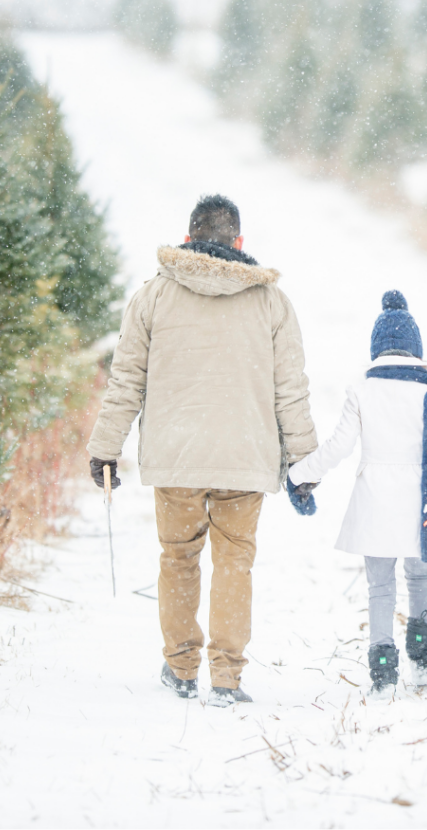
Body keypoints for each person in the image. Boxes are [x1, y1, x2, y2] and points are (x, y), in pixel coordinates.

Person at [87, 194, 316, 707]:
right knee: (235, 563)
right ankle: (228, 678)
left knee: (178, 558)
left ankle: (182, 668)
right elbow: (291, 389)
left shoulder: (153, 297)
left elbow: (125, 380)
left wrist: (105, 449)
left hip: (177, 457)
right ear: (238, 243)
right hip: (245, 459)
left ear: (189, 238)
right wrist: (304, 459)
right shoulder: (271, 303)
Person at [287, 290, 427, 696]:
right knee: (420, 577)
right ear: (416, 348)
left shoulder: (362, 390)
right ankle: (422, 660)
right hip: (420, 502)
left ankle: (383, 671)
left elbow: (338, 447)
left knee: (380, 586)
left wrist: (301, 474)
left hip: (375, 504)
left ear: (377, 349)